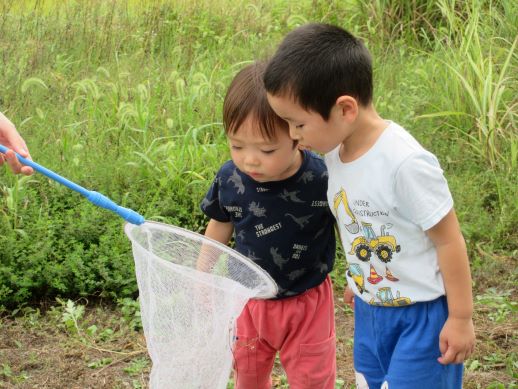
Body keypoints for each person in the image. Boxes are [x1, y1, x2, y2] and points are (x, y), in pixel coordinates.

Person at [264, 23, 475, 389]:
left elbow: (448, 240)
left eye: (297, 123)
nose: (293, 135)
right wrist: (359, 276)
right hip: (370, 310)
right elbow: (359, 220)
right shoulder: (335, 153)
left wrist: (460, 317)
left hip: (420, 316)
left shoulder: (404, 163)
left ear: (345, 108)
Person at [200, 61, 337, 389]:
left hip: (307, 301)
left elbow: (348, 225)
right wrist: (203, 274)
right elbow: (220, 225)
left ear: (297, 135)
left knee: (312, 380)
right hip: (247, 300)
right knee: (247, 374)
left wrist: (361, 274)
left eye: (266, 149)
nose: (250, 159)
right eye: (237, 145)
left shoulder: (322, 178)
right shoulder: (230, 179)